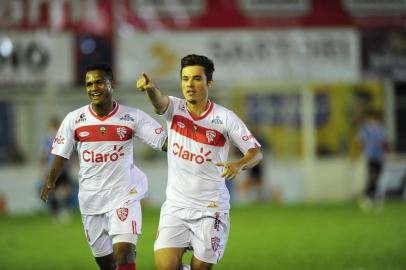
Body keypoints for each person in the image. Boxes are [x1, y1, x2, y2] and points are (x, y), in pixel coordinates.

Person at [136, 54, 263, 270]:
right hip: (175, 207)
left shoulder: (225, 117)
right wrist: (150, 89)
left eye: (196, 79)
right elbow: (159, 102)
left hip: (210, 209)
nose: (189, 84)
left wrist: (238, 165)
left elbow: (256, 152)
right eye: (185, 79)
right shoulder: (174, 109)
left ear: (208, 82)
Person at [40, 63, 167, 270]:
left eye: (99, 82)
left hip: (124, 196)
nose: (93, 87)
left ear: (112, 83)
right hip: (91, 201)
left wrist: (193, 143)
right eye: (89, 83)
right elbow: (61, 154)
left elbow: (164, 142)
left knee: (124, 255)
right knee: (107, 264)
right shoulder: (74, 119)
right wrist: (49, 181)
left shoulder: (131, 116)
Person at [39, 117, 75, 223]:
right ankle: (63, 212)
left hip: (55, 169)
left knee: (59, 190)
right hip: (61, 168)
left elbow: (43, 156)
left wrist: (42, 170)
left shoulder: (48, 139)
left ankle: (58, 213)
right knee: (64, 189)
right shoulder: (60, 136)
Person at [356, 109, 386, 210]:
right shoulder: (365, 129)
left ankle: (370, 197)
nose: (375, 121)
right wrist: (358, 153)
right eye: (373, 119)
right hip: (370, 155)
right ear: (370, 119)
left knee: (377, 178)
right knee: (372, 177)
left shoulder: (381, 129)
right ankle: (367, 197)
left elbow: (383, 142)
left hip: (379, 156)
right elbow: (361, 141)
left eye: (376, 119)